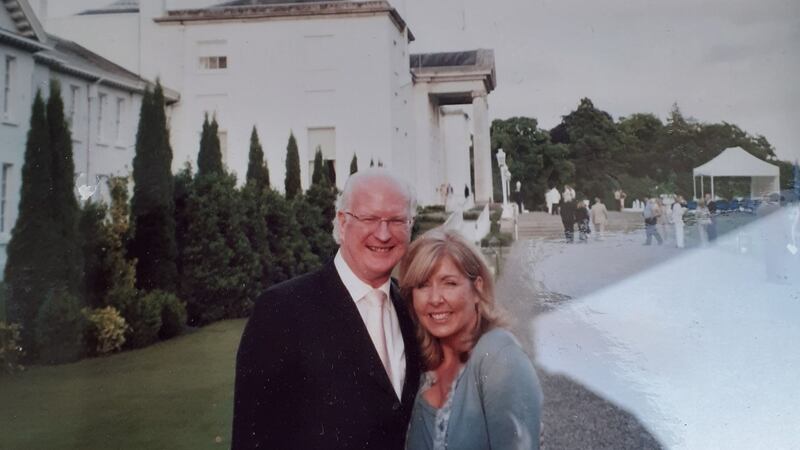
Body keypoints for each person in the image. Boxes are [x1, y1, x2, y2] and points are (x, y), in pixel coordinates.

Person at [232, 169, 422, 450]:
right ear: (342, 223)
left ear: (410, 226)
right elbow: (252, 439)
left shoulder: (411, 308)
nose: (383, 234)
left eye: (396, 220)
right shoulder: (282, 310)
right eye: (369, 218)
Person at [400, 229, 543, 450]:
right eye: (423, 285)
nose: (435, 298)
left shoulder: (498, 355)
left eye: (449, 283)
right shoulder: (418, 365)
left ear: (478, 288)